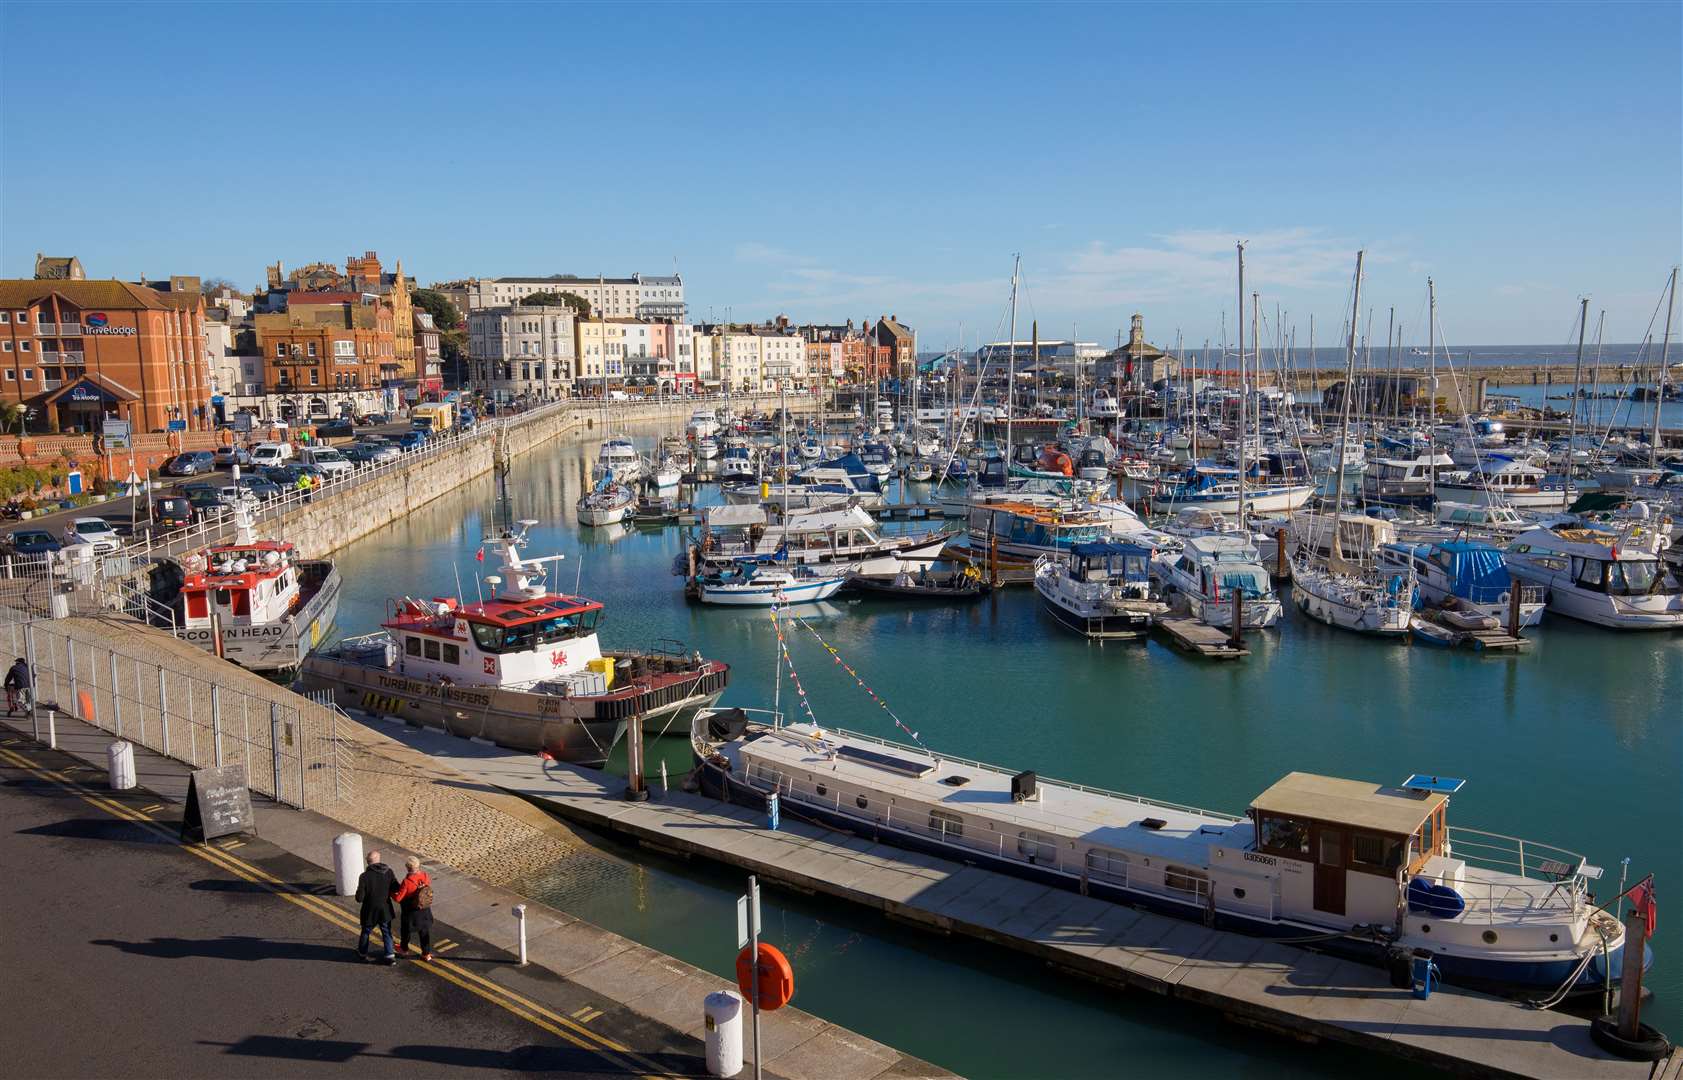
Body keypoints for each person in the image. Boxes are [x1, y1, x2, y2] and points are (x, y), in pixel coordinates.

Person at [354, 850, 398, 964]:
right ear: (379, 859)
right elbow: (396, 888)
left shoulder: (364, 876)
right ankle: (389, 955)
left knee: (366, 931)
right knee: (386, 931)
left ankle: (362, 953)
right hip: (385, 909)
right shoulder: (389, 872)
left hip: (370, 910)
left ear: (368, 862)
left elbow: (359, 898)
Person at [391, 855, 435, 960]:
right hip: (424, 909)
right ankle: (426, 953)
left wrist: (391, 893)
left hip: (411, 911)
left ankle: (404, 949)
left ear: (407, 867)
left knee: (406, 931)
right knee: (424, 932)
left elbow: (398, 898)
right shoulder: (425, 875)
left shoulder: (407, 882)